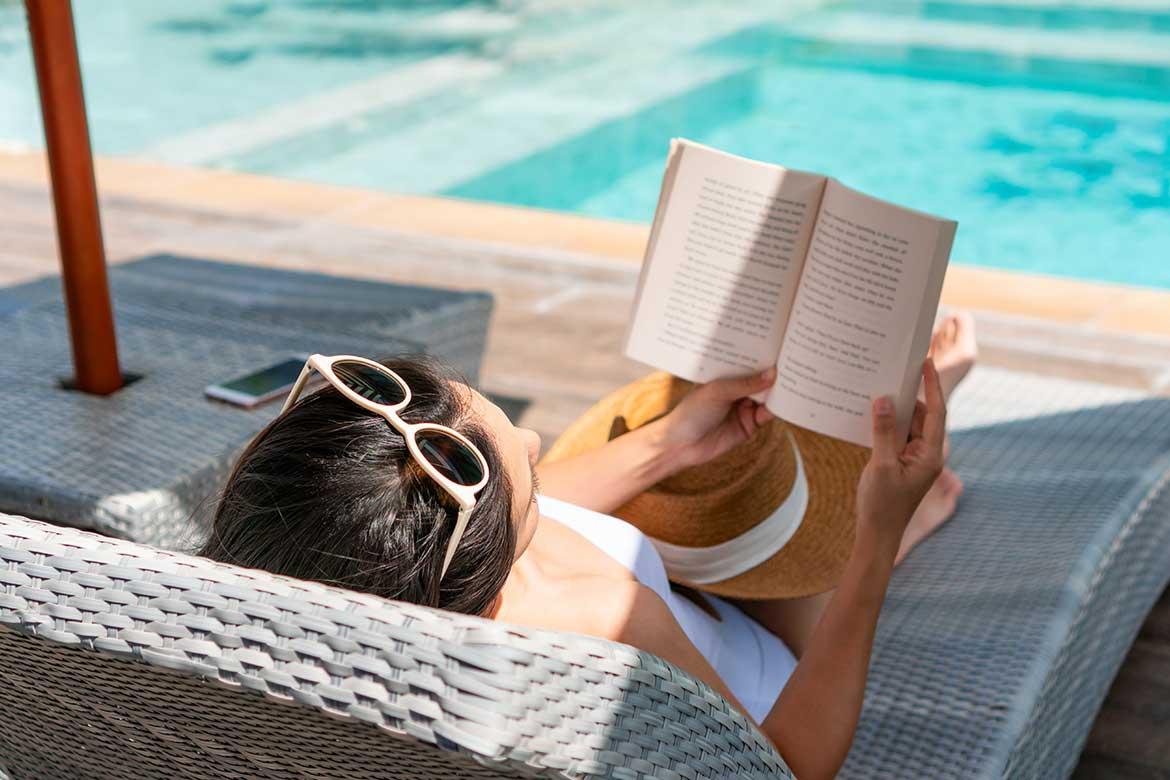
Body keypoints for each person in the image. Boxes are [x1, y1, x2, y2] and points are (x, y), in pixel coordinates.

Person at [202, 313, 978, 780]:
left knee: (726, 461)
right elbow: (790, 766)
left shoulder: (336, 580)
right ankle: (899, 524)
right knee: (835, 483)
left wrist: (669, 446)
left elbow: (497, 507)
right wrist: (875, 541)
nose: (539, 440)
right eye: (528, 477)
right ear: (491, 556)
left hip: (684, 611)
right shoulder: (601, 620)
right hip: (777, 682)